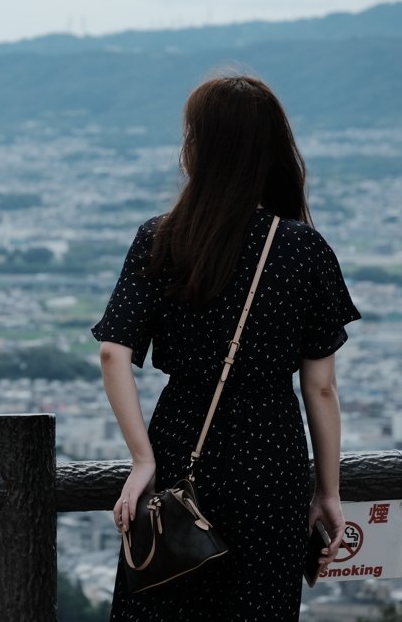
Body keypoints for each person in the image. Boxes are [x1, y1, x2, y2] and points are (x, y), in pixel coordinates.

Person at [92, 76, 360, 621]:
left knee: (161, 605)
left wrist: (144, 458)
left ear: (198, 148)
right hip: (273, 461)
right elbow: (322, 386)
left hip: (179, 452)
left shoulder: (160, 236)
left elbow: (113, 353)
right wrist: (327, 490)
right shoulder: (303, 247)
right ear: (270, 150)